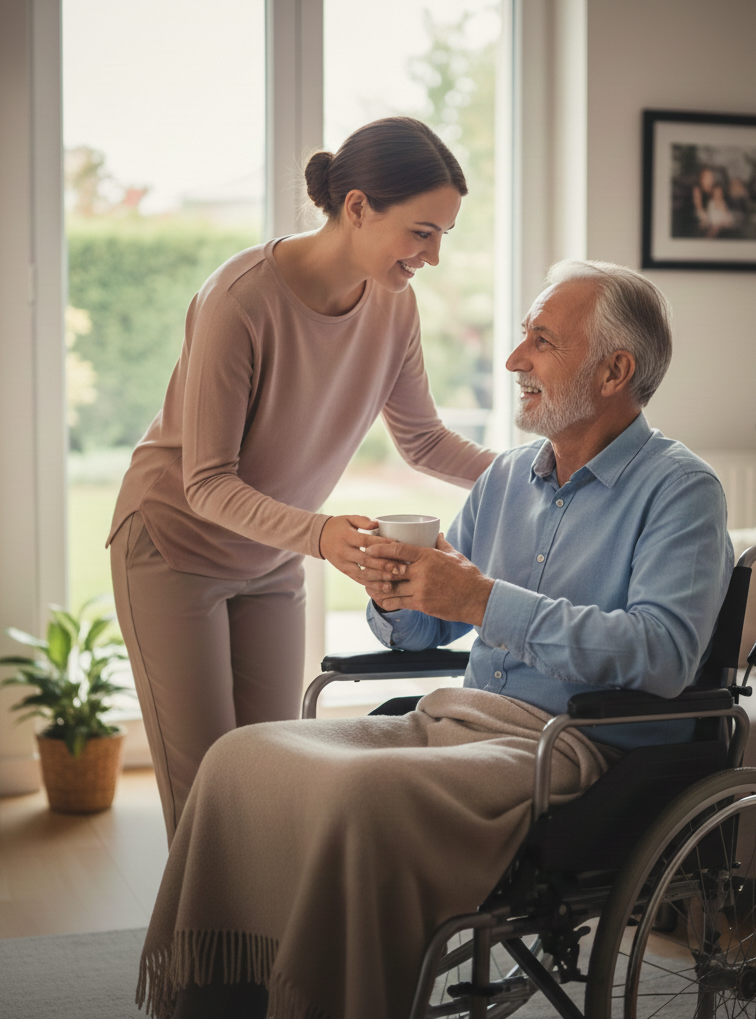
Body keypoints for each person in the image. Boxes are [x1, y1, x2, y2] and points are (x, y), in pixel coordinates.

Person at [135, 261, 733, 1019]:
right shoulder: (509, 478)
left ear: (615, 370)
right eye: (522, 336)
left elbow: (663, 654)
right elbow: (431, 625)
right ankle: (219, 1004)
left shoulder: (680, 490)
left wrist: (482, 599)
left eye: (541, 342)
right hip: (459, 719)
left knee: (359, 795)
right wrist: (394, 587)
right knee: (238, 759)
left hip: (574, 748)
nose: (515, 359)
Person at [108, 117, 496, 845]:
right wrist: (319, 533)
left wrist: (534, 469)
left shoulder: (393, 304)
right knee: (206, 802)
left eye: (443, 235)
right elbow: (207, 482)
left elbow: (421, 440)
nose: (434, 256)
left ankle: (270, 956)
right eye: (422, 232)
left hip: (272, 559)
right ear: (356, 208)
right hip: (172, 548)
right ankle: (204, 963)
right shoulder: (240, 299)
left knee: (270, 775)